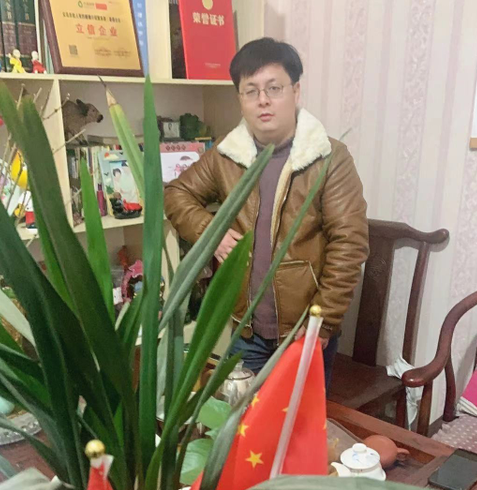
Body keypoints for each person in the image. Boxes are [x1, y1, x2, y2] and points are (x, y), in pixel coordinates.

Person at [164, 37, 369, 390]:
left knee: (297, 421)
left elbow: (349, 244)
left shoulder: (328, 157)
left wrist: (323, 321)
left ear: (296, 91)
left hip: (304, 330)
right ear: (240, 98)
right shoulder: (227, 154)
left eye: (274, 88)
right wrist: (211, 233)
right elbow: (176, 194)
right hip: (246, 329)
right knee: (240, 418)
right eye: (251, 91)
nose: (263, 100)